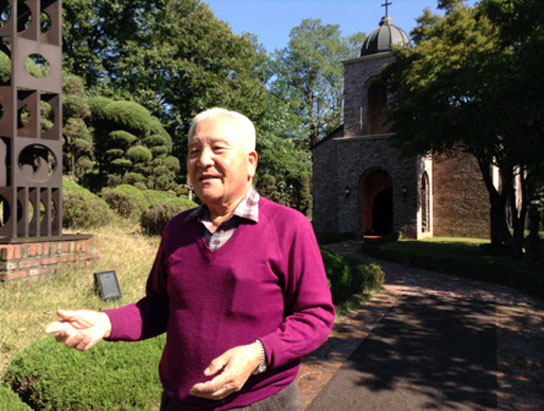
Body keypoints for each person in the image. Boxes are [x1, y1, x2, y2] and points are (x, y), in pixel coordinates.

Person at [45, 107, 335, 410]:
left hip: (258, 401)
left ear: (251, 163)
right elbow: (159, 306)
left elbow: (315, 315)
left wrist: (259, 354)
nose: (203, 160)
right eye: (194, 151)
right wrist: (105, 322)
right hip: (179, 401)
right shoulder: (178, 229)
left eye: (217, 149)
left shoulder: (289, 226)